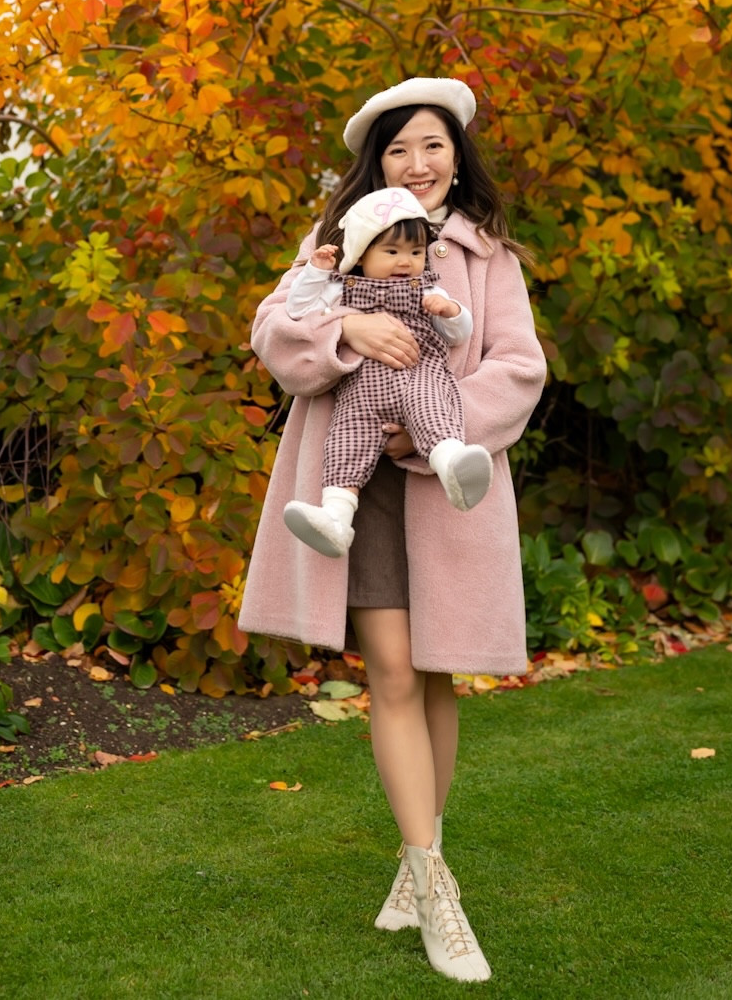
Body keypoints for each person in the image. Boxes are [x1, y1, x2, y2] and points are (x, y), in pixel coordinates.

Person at [238, 77, 546, 985]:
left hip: (448, 486)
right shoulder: (337, 242)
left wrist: (438, 424)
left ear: (457, 155)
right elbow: (274, 331)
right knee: (396, 673)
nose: (418, 163)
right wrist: (353, 330)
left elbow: (519, 366)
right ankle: (436, 888)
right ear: (377, 163)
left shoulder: (489, 256)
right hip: (358, 487)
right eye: (400, 148)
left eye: (433, 145)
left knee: (438, 673)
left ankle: (417, 868)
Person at [281, 185, 493, 557]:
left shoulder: (428, 290)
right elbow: (298, 310)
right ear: (362, 254)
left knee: (431, 409)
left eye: (415, 252)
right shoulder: (339, 289)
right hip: (360, 396)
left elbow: (460, 334)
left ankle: (453, 464)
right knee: (345, 442)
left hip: (417, 375)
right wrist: (316, 272)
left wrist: (451, 312)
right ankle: (335, 517)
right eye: (391, 252)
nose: (405, 262)